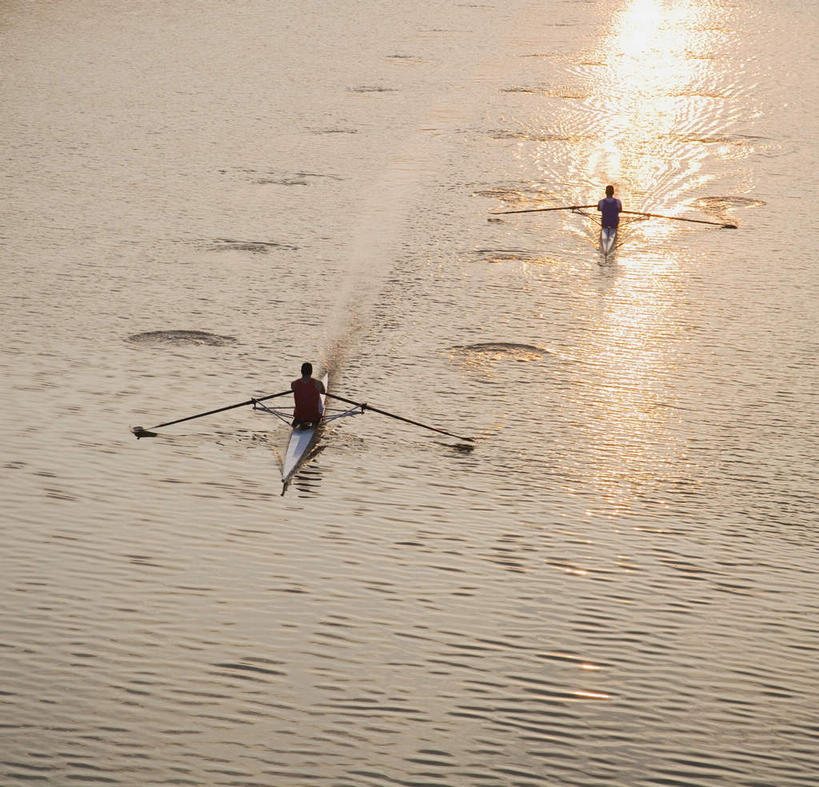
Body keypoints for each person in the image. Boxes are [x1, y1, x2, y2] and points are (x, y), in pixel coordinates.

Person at [291, 362, 325, 428]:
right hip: (314, 415)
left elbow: (294, 389)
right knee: (319, 404)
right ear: (311, 372)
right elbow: (323, 392)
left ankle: (297, 423)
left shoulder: (294, 384)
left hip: (299, 416)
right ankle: (314, 424)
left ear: (301, 371)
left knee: (298, 416)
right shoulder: (318, 383)